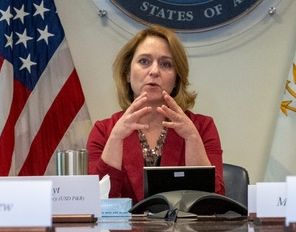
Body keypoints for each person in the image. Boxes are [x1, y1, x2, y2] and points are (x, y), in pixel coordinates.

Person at [87, 25, 225, 203]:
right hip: (123, 231)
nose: (154, 71)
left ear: (176, 79)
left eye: (166, 64)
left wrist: (192, 138)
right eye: (144, 61)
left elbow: (214, 202)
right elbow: (95, 202)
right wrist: (115, 139)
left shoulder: (202, 127)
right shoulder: (104, 131)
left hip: (184, 231)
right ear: (127, 74)